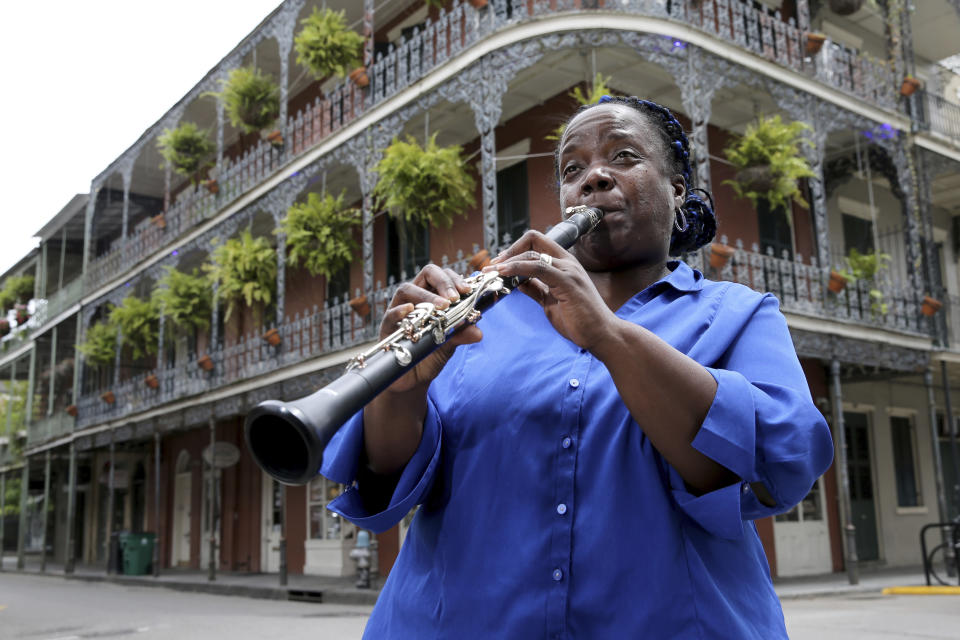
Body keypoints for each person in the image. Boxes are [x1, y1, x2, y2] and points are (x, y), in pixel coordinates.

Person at [321, 96, 834, 638]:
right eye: (573, 169)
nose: (594, 178)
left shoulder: (741, 313)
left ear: (677, 190)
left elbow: (775, 466)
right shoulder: (480, 315)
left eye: (625, 157)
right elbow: (386, 485)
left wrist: (609, 337)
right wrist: (397, 394)